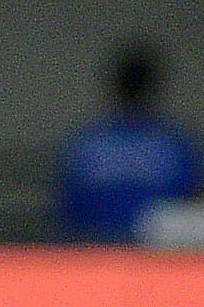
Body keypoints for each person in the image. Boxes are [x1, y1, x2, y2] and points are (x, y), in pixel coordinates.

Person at [58, 44, 201, 240]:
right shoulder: (174, 142)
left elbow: (67, 212)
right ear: (152, 87)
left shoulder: (86, 142)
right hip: (145, 255)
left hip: (99, 253)